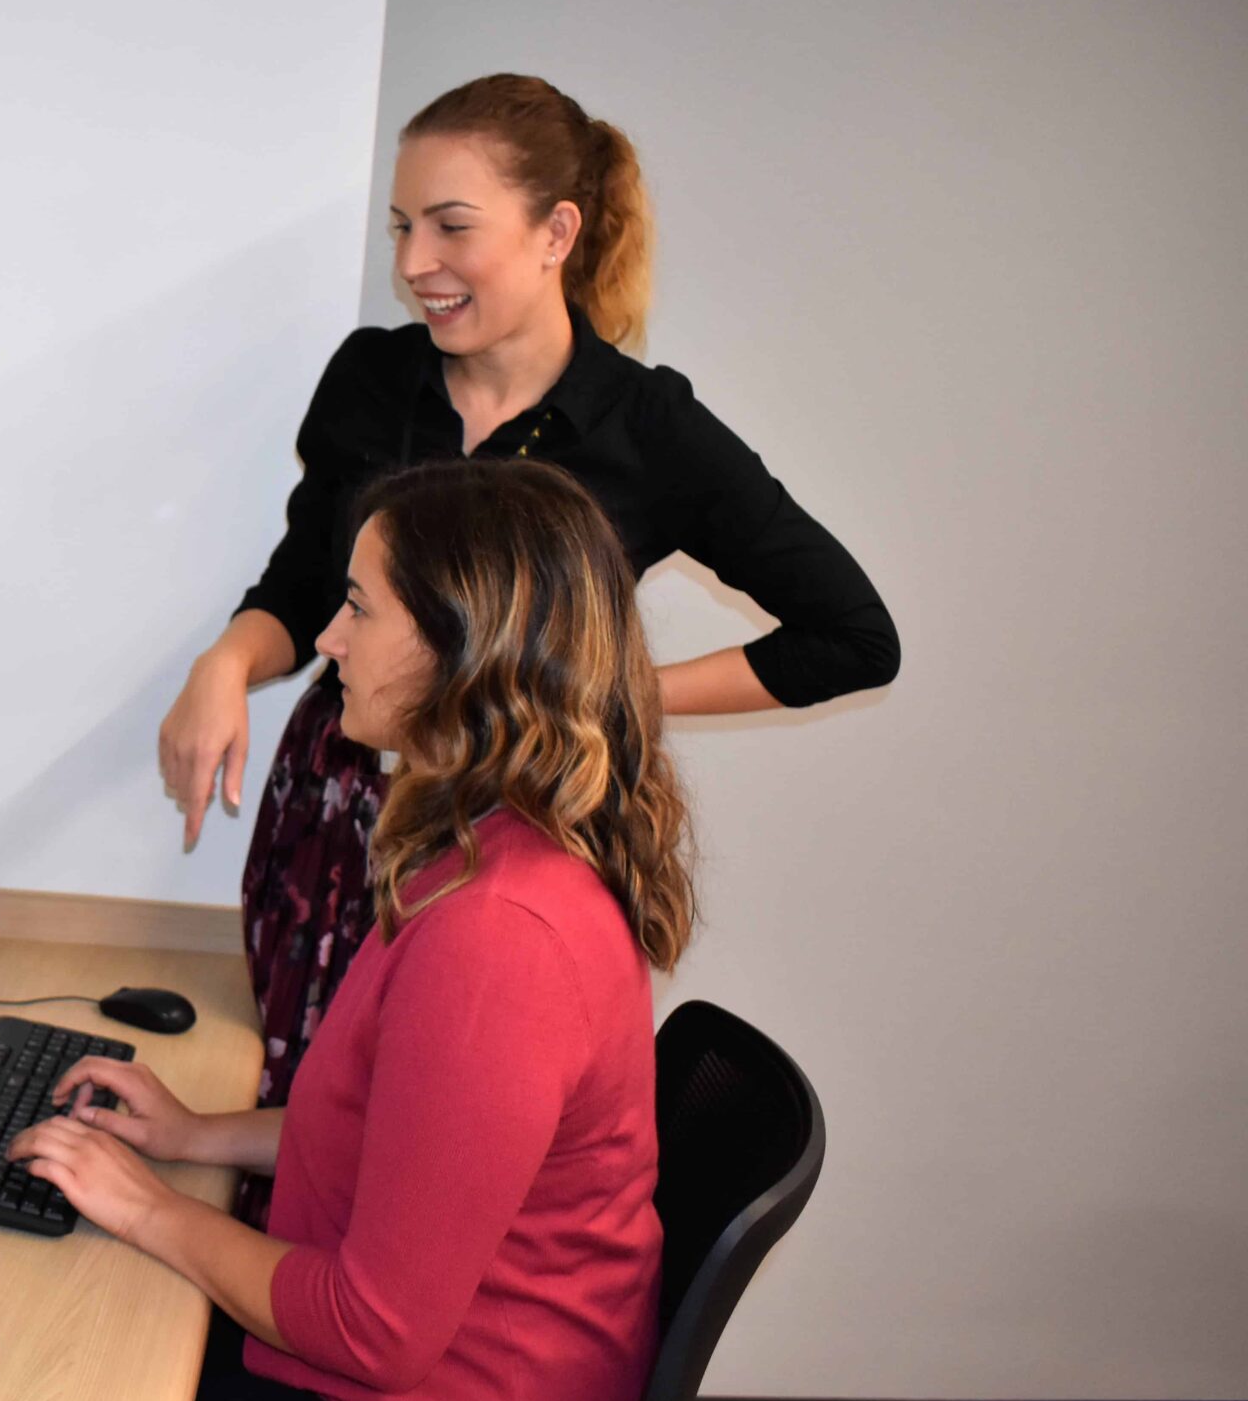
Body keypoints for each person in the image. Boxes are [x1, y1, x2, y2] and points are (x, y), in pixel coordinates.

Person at [156, 74, 896, 1183]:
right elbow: (304, 586)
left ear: (557, 232)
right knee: (305, 1122)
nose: (412, 264)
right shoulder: (370, 379)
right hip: (335, 815)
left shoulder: (646, 428)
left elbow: (849, 636)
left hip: (502, 832)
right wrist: (225, 662)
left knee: (426, 1154)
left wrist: (605, 691)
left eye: (451, 227)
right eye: (402, 227)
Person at [21, 460, 685, 1401]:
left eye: (359, 608)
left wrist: (147, 1206)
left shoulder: (497, 940)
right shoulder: (481, 851)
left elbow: (375, 1330)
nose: (327, 638)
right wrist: (196, 1135)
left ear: (458, 651)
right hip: (431, 1399)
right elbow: (404, 1135)